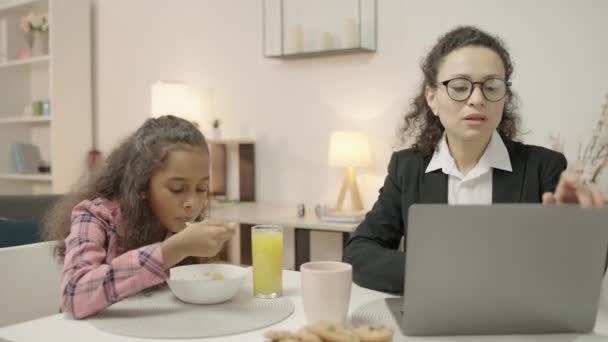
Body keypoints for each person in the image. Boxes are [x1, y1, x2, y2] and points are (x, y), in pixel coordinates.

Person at [343, 26, 607, 293]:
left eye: (491, 87)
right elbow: (360, 253)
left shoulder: (544, 167)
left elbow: (581, 270)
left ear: (504, 98)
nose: (477, 99)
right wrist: (441, 273)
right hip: (432, 321)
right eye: (459, 87)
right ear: (432, 98)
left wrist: (587, 231)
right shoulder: (407, 168)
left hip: (515, 325)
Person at [42, 115, 235, 318]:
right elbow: (74, 296)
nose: (192, 202)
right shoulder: (95, 216)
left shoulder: (175, 221)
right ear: (142, 184)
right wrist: (172, 250)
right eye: (177, 188)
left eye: (202, 188)